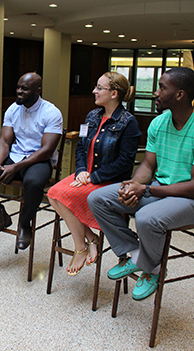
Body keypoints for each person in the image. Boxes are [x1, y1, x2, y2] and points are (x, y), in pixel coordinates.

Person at [88, 67, 194, 301]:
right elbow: (148, 166)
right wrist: (133, 184)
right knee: (98, 198)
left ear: (180, 94)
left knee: (147, 217)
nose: (155, 92)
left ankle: (152, 268)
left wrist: (148, 189)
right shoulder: (159, 123)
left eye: (162, 87)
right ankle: (134, 253)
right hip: (160, 190)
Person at [47, 72, 141, 276]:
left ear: (114, 93)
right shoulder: (91, 116)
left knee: (62, 197)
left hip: (108, 181)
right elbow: (81, 147)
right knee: (53, 194)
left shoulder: (128, 122)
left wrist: (94, 177)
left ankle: (81, 247)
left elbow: (124, 163)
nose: (94, 91)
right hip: (85, 176)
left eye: (99, 87)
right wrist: (81, 171)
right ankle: (89, 239)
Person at [0, 72, 63, 250]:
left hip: (39, 160)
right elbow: (4, 140)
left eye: (24, 89)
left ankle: (25, 225)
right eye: (18, 87)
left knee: (33, 182)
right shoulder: (13, 109)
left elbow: (47, 150)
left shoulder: (51, 112)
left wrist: (15, 167)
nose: (19, 91)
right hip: (15, 156)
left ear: (37, 91)